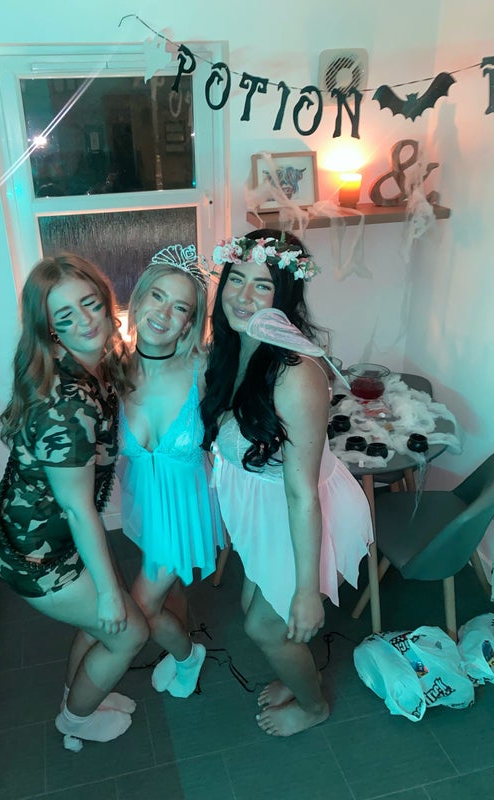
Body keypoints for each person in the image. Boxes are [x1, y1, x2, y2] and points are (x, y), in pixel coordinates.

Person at [201, 229, 373, 736]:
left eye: (263, 285)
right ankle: (295, 671)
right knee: (257, 611)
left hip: (303, 509)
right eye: (236, 279)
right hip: (266, 508)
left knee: (265, 624)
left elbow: (302, 493)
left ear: (286, 296)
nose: (242, 296)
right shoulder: (233, 345)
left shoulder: (294, 372)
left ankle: (314, 705)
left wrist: (306, 591)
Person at [0, 253, 149, 747]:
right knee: (128, 632)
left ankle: (78, 697)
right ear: (50, 329)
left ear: (105, 299)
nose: (85, 321)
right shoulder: (67, 405)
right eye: (65, 315)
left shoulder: (92, 363)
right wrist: (107, 592)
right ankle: (74, 721)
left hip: (39, 529)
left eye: (90, 303)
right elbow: (79, 509)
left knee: (105, 624)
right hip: (36, 553)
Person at [117, 244, 224, 698]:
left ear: (189, 323)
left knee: (139, 610)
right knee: (166, 592)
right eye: (157, 297)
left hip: (185, 510)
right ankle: (181, 640)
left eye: (180, 307)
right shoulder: (113, 370)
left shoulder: (204, 368)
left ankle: (187, 656)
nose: (164, 313)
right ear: (138, 299)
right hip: (145, 504)